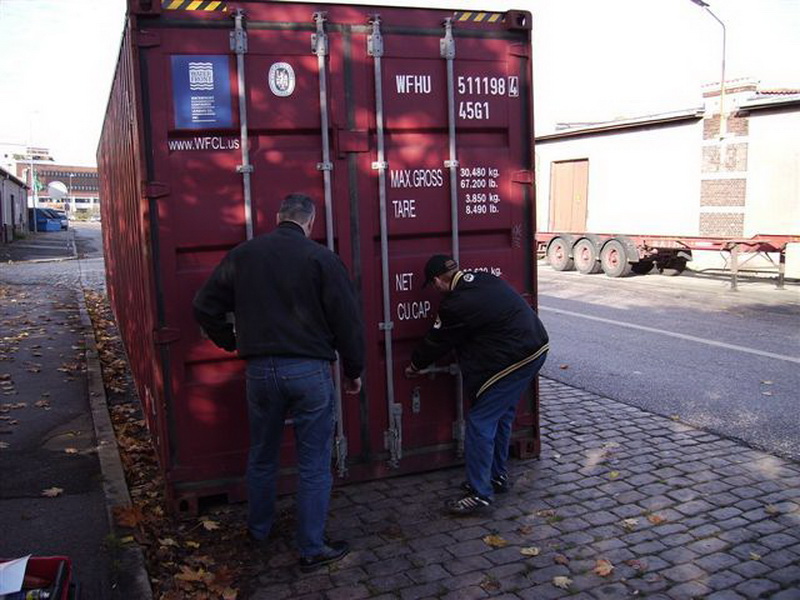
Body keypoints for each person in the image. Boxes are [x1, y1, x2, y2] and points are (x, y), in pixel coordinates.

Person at [193, 193, 364, 572]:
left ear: (278, 217)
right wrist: (354, 370)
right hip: (308, 371)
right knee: (314, 462)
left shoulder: (243, 255)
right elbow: (347, 321)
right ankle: (311, 547)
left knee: (263, 454)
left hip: (259, 372)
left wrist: (231, 341)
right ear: (310, 222)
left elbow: (203, 306)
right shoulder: (322, 258)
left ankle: (259, 530)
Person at [404, 255, 549, 515]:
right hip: (536, 347)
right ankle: (497, 476)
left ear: (437, 281)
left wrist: (415, 365)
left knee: (480, 421)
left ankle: (479, 492)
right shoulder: (483, 278)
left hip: (516, 357)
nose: (435, 290)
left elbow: (437, 341)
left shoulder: (456, 304)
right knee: (502, 413)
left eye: (433, 285)